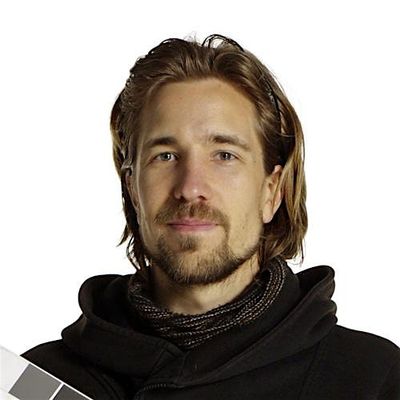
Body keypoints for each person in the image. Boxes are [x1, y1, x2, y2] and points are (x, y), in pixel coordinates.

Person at [22, 34, 399, 399]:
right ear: (133, 189)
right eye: (165, 156)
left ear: (271, 192)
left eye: (224, 155)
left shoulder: (374, 380)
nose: (190, 187)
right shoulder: (33, 383)